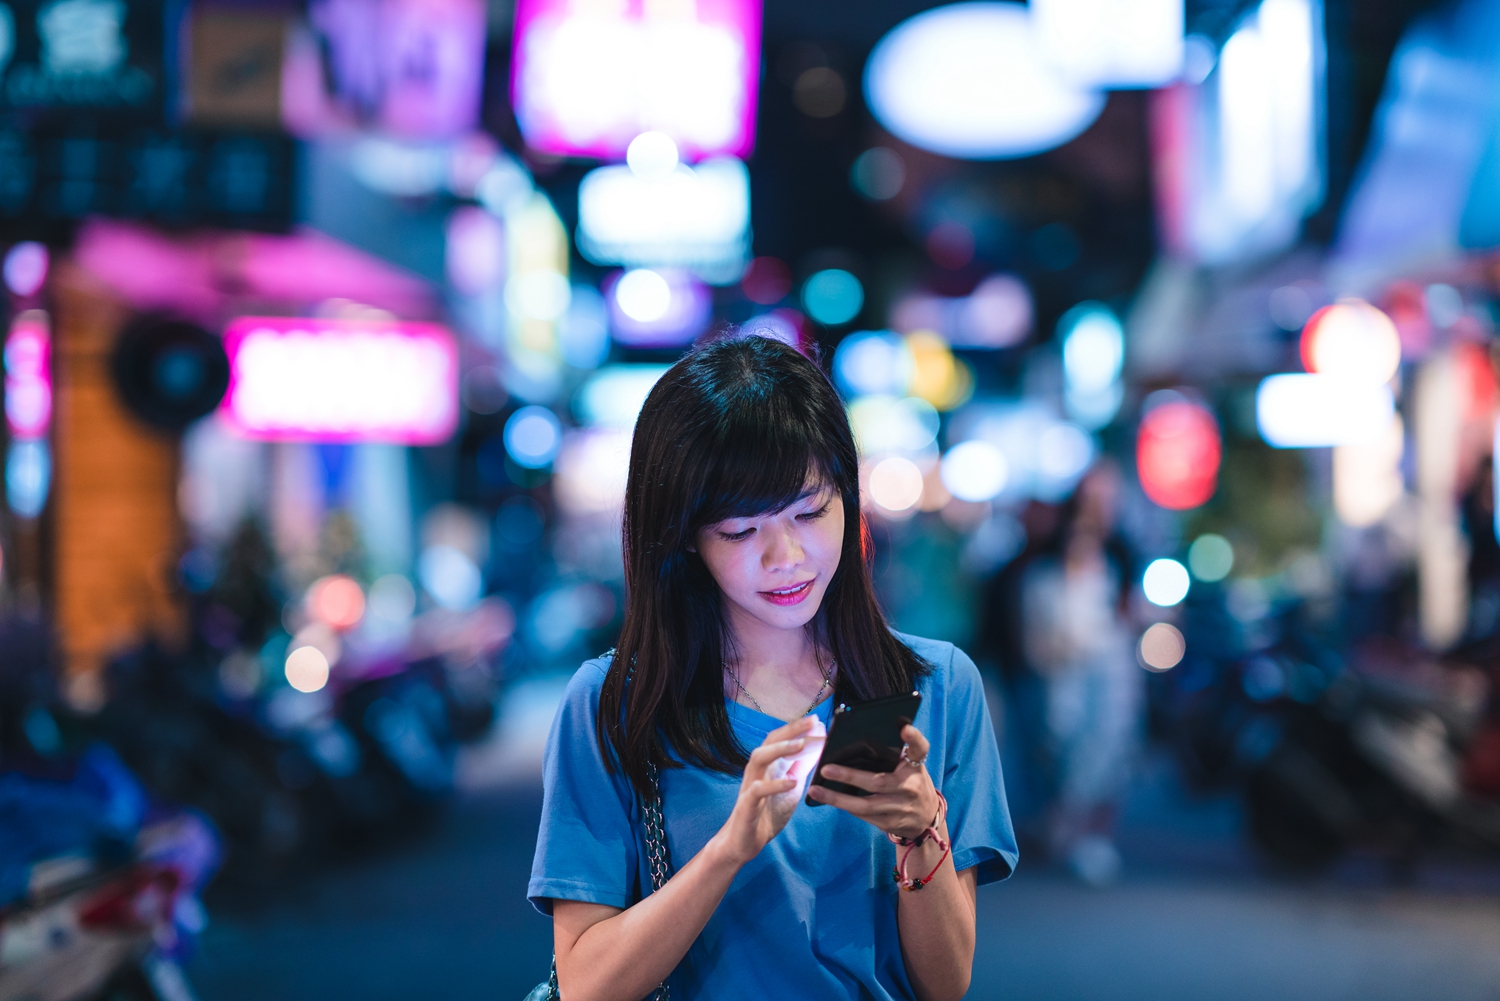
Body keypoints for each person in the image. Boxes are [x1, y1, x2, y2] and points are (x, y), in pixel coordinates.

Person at [528, 335, 1016, 1001]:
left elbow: (945, 982)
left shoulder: (938, 684)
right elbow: (587, 986)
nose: (785, 555)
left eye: (810, 511)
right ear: (682, 538)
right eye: (739, 530)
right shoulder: (616, 702)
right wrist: (730, 847)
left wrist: (922, 830)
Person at [1019, 463, 1140, 886]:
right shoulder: (1048, 561)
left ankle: (1091, 834)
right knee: (1065, 749)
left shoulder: (1122, 552)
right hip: (1063, 669)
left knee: (1110, 749)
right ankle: (1063, 827)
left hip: (1109, 669)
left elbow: (1128, 612)